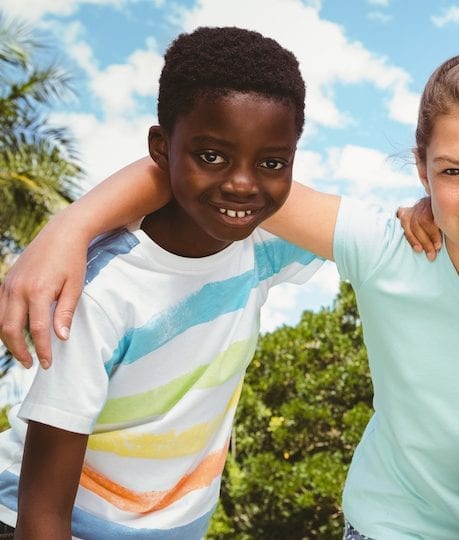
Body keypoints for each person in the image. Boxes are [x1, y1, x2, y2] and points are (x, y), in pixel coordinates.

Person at [0, 51, 459, 538]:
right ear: (422, 170)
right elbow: (213, 172)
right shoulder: (386, 247)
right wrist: (71, 227)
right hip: (387, 523)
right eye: (453, 172)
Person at [0, 26, 322, 538]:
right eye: (211, 156)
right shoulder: (102, 293)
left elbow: (378, 239)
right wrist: (74, 226)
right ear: (160, 147)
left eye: (271, 162)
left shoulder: (260, 246)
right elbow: (42, 515)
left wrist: (417, 213)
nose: (242, 182)